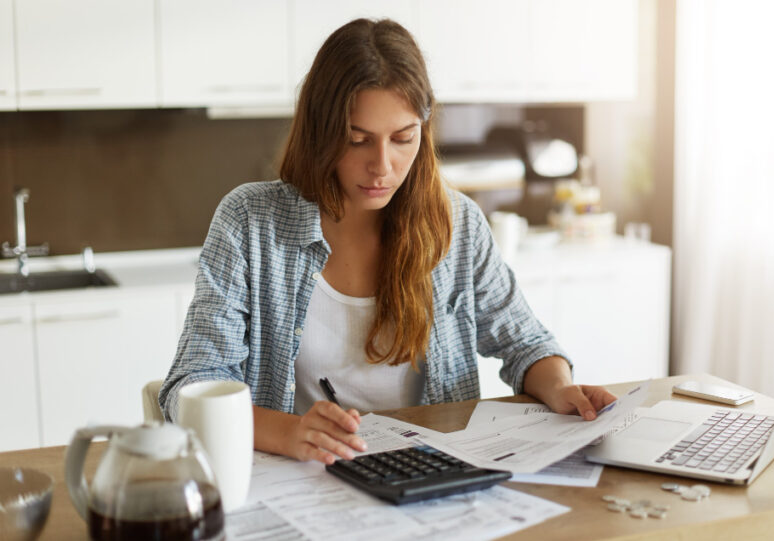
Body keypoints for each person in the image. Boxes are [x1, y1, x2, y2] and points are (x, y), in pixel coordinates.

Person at [159, 18, 616, 465]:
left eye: (402, 138)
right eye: (357, 140)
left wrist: (559, 386)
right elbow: (189, 387)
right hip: (302, 479)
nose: (382, 166)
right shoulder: (248, 223)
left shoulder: (457, 225)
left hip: (429, 474)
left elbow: (526, 344)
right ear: (321, 132)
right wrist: (288, 432)